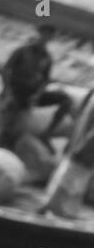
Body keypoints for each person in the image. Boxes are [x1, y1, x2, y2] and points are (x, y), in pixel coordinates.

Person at [0, 24, 73, 140]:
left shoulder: (47, 58)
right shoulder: (22, 51)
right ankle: (4, 135)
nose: (45, 38)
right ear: (39, 34)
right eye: (44, 34)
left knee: (66, 100)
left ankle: (48, 133)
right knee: (12, 111)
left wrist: (37, 94)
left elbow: (45, 80)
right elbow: (6, 69)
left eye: (49, 36)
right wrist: (7, 89)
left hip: (32, 94)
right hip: (16, 91)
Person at [38, 90, 94, 218]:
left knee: (73, 172)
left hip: (81, 147)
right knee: (74, 172)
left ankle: (54, 206)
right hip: (83, 149)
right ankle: (58, 208)